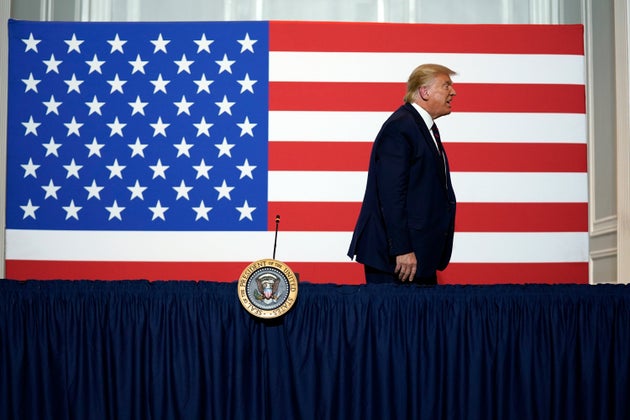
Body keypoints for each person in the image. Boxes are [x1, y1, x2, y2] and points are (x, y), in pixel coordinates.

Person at [347, 63, 457, 285]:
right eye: (446, 85)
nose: (453, 92)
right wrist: (402, 248)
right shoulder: (401, 127)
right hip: (398, 260)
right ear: (424, 92)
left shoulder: (421, 127)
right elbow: (391, 195)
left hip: (418, 255)